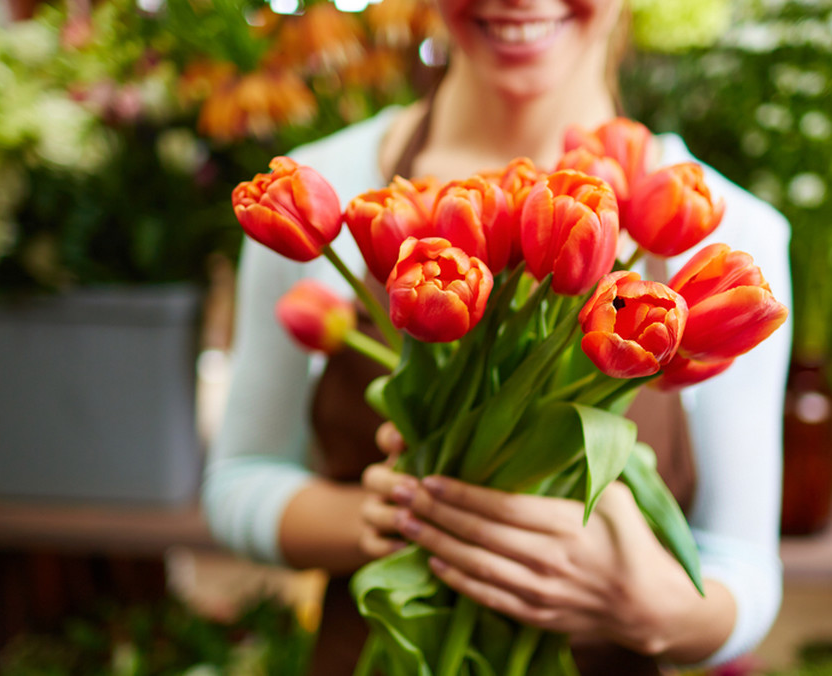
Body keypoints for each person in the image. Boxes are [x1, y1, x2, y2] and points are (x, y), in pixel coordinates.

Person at [202, 1, 793, 673]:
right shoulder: (322, 191)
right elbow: (237, 482)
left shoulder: (732, 234)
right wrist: (388, 516)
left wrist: (652, 604)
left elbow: (742, 569)